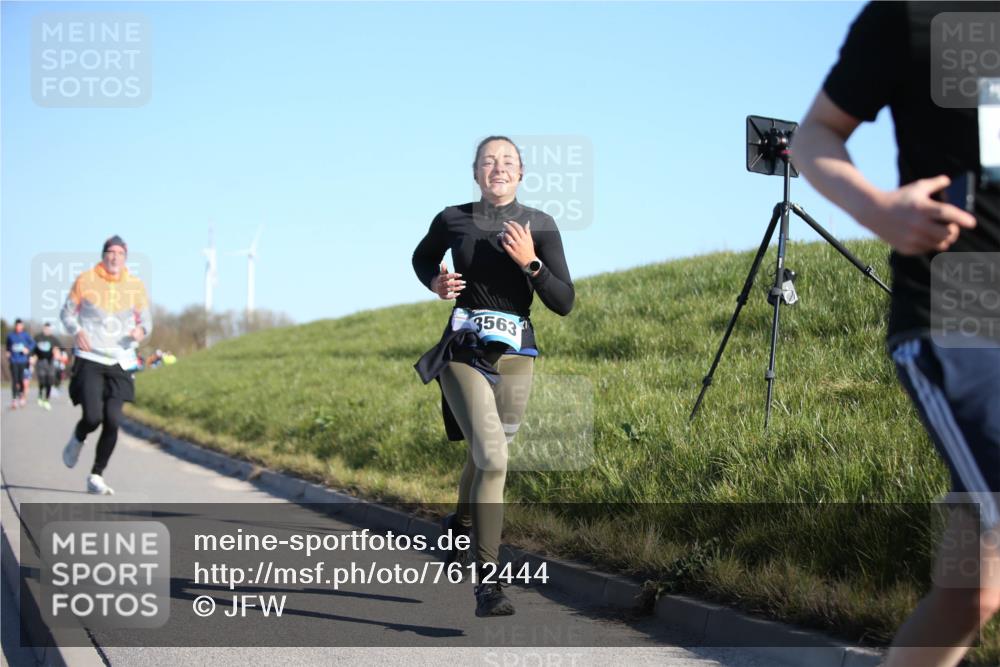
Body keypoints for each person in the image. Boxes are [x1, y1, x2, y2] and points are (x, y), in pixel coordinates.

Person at [792, 3, 999, 666]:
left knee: (972, 591)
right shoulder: (912, 14)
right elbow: (815, 136)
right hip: (957, 318)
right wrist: (879, 209)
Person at [413, 136, 575, 616]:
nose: (498, 167)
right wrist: (435, 281)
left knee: (490, 455)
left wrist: (532, 262)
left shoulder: (539, 225)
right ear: (476, 173)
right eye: (489, 161)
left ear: (521, 173)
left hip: (517, 353)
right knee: (493, 460)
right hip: (464, 348)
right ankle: (489, 585)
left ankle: (460, 523)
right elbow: (423, 258)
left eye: (507, 161)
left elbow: (563, 301)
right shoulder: (452, 218)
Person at [60, 235, 153, 495]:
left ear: (125, 258)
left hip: (120, 359)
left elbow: (146, 321)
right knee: (92, 417)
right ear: (103, 255)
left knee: (113, 419)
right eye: (110, 252)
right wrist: (77, 329)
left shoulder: (135, 286)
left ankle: (96, 475)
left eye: (120, 254)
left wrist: (140, 331)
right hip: (91, 356)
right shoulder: (86, 280)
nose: (115, 257)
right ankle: (78, 438)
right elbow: (66, 313)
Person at [5, 319, 35, 409]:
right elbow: (8, 346)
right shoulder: (10, 336)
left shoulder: (25, 335)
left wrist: (28, 349)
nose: (18, 327)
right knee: (14, 380)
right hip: (14, 360)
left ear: (22, 326)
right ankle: (14, 399)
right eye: (17, 326)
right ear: (15, 326)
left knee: (22, 380)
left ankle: (21, 396)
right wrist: (8, 352)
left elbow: (33, 343)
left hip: (23, 361)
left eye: (20, 326)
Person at [32, 322, 60, 410]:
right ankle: (40, 394)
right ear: (44, 328)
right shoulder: (38, 338)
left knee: (50, 381)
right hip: (40, 361)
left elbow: (60, 348)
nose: (47, 330)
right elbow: (32, 349)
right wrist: (33, 357)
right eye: (46, 328)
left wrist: (57, 352)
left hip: (50, 362)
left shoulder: (53, 339)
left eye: (49, 329)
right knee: (42, 380)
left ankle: (46, 399)